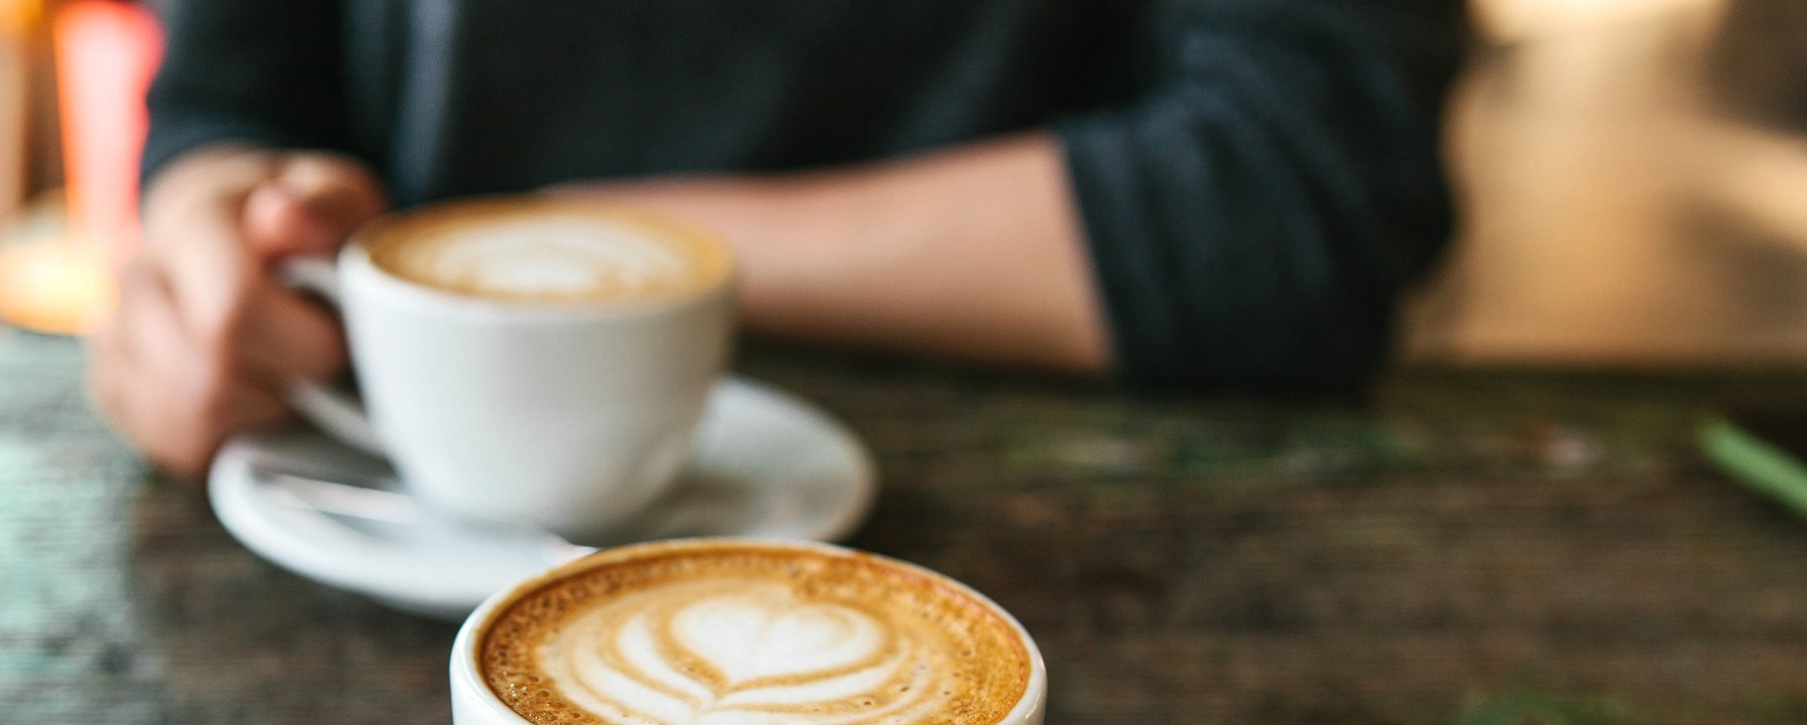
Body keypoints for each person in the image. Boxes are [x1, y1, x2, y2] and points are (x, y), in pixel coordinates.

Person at [89, 0, 1464, 477]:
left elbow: (1301, 198)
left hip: (1062, 520)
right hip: (392, 525)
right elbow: (233, 96)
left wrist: (600, 255)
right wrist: (212, 241)